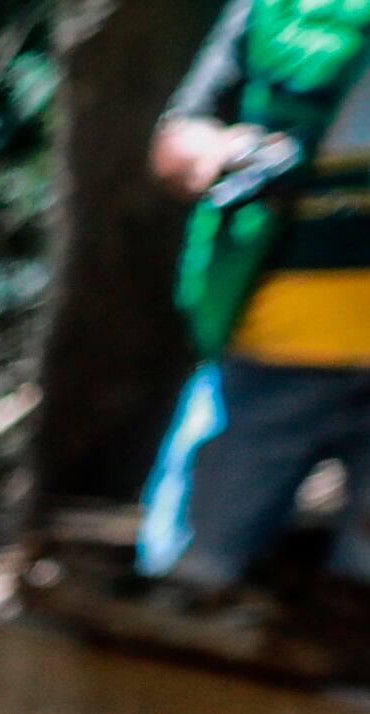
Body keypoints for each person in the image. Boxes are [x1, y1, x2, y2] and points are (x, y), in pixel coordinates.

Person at [145, 0, 370, 591]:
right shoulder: (273, 12)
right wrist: (232, 156)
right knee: (189, 576)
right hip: (272, 349)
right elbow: (179, 140)